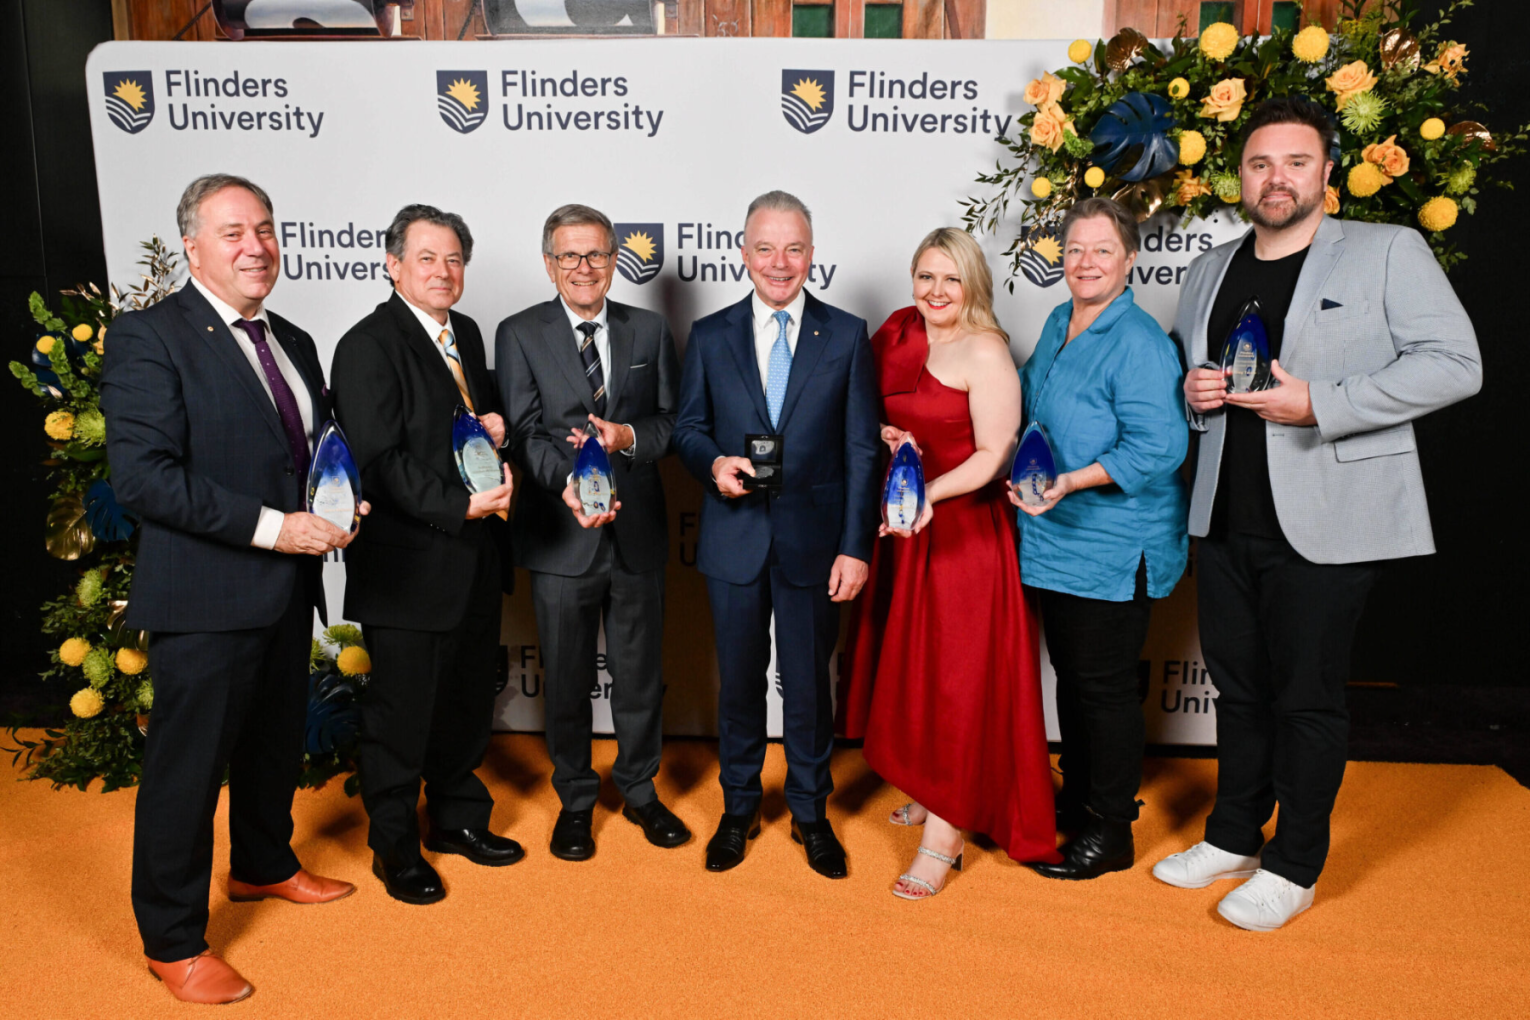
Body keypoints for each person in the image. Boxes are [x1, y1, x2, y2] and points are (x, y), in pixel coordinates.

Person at [1155, 97, 1481, 930]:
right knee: (1239, 689)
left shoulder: (1386, 251)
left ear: (1326, 172)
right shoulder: (1210, 268)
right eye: (1261, 163)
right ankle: (1233, 835)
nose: (1277, 178)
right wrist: (1197, 398)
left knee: (1306, 696)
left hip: (1329, 521)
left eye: (1296, 162)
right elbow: (1206, 384)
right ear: (1241, 174)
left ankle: (1295, 865)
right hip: (1225, 516)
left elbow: (1456, 364)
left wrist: (1322, 402)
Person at [101, 174, 358, 1005]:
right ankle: (172, 941)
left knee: (274, 744)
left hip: (287, 588)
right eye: (233, 232)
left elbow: (315, 450)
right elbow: (144, 479)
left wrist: (343, 497)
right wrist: (273, 527)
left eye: (267, 229)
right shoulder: (150, 335)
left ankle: (262, 864)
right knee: (187, 771)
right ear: (192, 247)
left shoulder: (291, 338)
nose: (256, 246)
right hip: (207, 593)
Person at [837, 227, 1062, 900]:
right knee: (911, 669)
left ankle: (947, 831)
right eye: (925, 276)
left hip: (961, 533)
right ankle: (932, 784)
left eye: (950, 279)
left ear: (973, 285)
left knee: (958, 679)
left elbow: (995, 453)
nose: (935, 292)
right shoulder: (899, 331)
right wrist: (877, 432)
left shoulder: (986, 349)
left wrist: (928, 493)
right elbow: (865, 409)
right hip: (902, 528)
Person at [673, 190, 879, 878]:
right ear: (743, 253)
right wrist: (714, 464)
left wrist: (855, 546)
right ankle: (737, 808)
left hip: (816, 547)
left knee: (808, 685)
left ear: (812, 255)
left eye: (794, 248)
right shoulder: (710, 335)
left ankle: (811, 813)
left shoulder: (847, 335)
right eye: (765, 247)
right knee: (737, 684)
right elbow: (687, 431)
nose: (780, 262)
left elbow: (860, 451)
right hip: (733, 539)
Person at [331, 204, 520, 906]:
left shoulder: (463, 333)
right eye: (426, 258)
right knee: (400, 717)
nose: (443, 272)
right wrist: (457, 505)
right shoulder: (367, 345)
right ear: (392, 264)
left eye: (453, 260)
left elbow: (461, 434)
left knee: (465, 706)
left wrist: (493, 427)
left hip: (473, 556)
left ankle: (457, 822)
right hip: (408, 567)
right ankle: (395, 849)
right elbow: (378, 461)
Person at [1003, 199, 1189, 882]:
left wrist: (1071, 481)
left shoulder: (1138, 341)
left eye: (1102, 250)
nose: (1084, 262)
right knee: (1076, 684)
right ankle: (1079, 803)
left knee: (1104, 690)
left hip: (1113, 546)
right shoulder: (1059, 321)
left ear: (1130, 259)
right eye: (1075, 250)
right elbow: (1027, 404)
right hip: (1052, 537)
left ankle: (1111, 828)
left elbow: (1160, 447)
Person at [495, 204, 687, 860]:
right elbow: (522, 432)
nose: (584, 267)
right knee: (568, 677)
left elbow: (670, 424)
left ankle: (639, 790)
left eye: (596, 254)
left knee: (638, 674)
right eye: (569, 256)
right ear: (550, 263)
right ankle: (576, 798)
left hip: (636, 535)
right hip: (560, 532)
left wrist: (627, 436)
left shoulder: (649, 329)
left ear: (614, 260)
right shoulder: (518, 332)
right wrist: (566, 484)